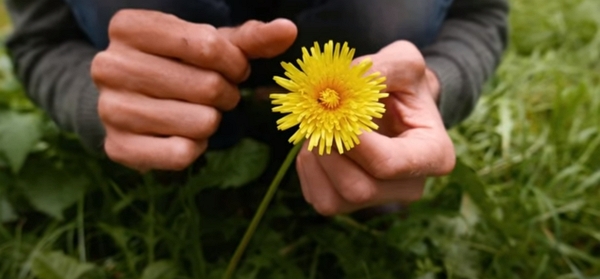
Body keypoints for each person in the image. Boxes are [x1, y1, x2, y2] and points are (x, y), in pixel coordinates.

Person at [5, 0, 508, 216]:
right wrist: (98, 102)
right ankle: (181, 163)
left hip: (341, 108)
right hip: (181, 128)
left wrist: (433, 85)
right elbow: (41, 38)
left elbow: (480, 13)